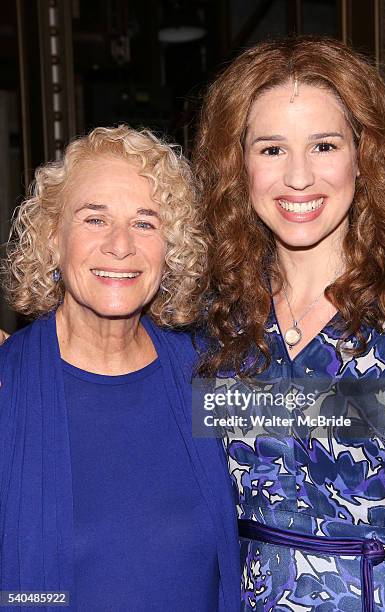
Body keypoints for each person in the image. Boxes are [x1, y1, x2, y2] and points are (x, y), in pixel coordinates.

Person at [193, 36, 385, 611]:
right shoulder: (211, 319)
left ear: (365, 154)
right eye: (272, 149)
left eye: (324, 145)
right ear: (238, 164)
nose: (299, 178)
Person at [0, 126, 240, 611]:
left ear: (170, 249)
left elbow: (353, 418)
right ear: (52, 236)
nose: (120, 245)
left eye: (146, 223)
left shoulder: (210, 375)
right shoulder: (8, 386)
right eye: (94, 219)